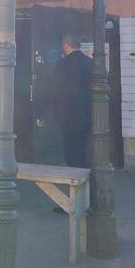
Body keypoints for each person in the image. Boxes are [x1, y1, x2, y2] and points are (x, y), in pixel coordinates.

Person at [53, 34, 92, 169]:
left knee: (70, 145)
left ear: (66, 45)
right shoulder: (90, 62)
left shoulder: (61, 64)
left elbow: (56, 88)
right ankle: (85, 169)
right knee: (84, 144)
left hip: (68, 112)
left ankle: (74, 171)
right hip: (86, 111)